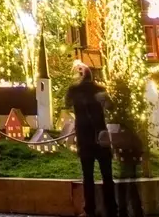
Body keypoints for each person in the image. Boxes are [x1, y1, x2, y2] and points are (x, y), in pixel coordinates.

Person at [65, 64, 117, 217]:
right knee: (107, 175)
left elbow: (66, 104)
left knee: (88, 177)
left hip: (84, 138)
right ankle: (111, 208)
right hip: (100, 136)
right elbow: (111, 107)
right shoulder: (100, 89)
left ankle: (90, 209)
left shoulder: (73, 90)